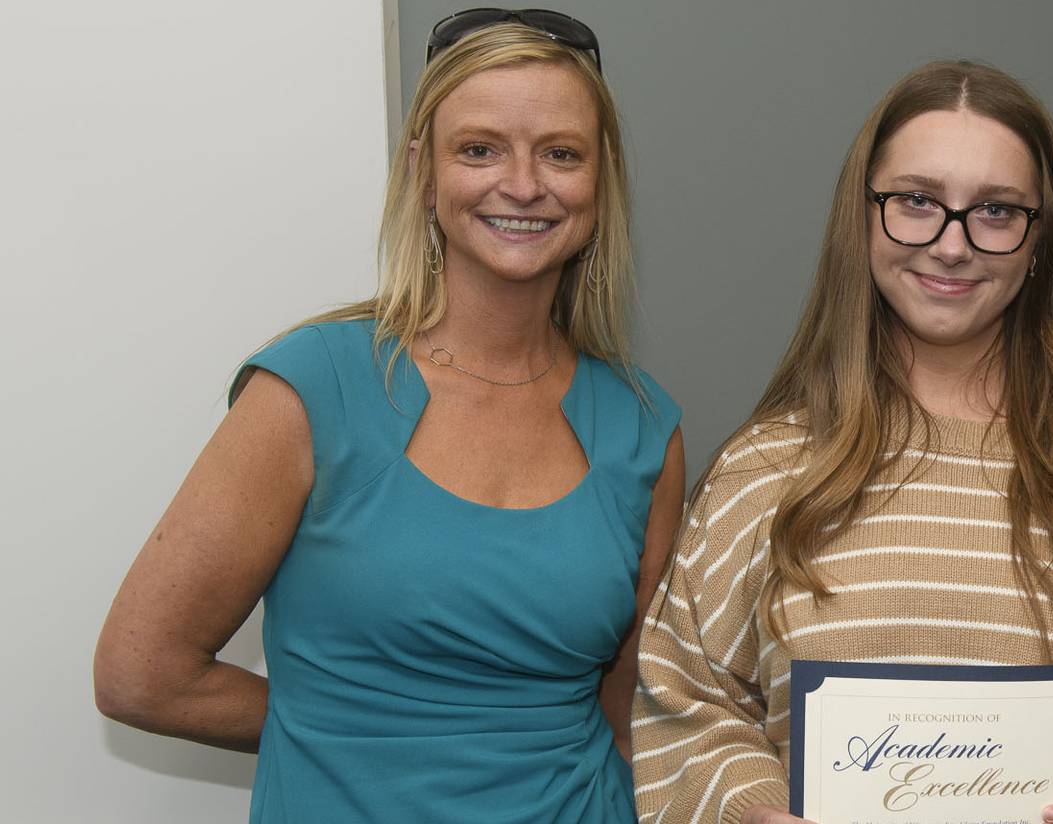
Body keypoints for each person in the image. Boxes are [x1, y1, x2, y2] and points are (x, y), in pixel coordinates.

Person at [92, 10, 683, 822]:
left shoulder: (643, 427)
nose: (522, 183)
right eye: (478, 149)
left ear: (601, 181)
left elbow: (628, 716)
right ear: (422, 170)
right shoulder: (311, 390)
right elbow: (141, 673)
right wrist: (354, 733)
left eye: (561, 153)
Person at [629, 60, 1053, 824]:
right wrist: (749, 809)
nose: (952, 246)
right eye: (917, 201)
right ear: (862, 216)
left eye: (995, 210)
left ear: (1040, 238)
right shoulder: (762, 469)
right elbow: (683, 702)